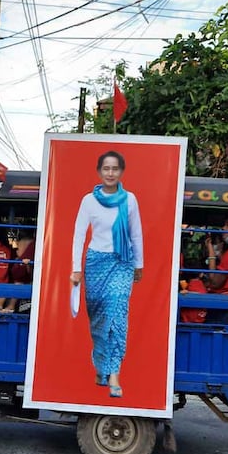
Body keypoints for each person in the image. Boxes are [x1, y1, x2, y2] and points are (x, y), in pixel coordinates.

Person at [71, 150, 143, 398]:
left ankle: (114, 374)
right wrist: (76, 269)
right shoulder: (88, 201)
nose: (110, 173)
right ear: (100, 172)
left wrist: (139, 265)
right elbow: (79, 235)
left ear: (121, 172)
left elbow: (136, 234)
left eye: (115, 169)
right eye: (106, 168)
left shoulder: (129, 200)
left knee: (117, 314)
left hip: (122, 262)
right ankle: (101, 366)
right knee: (99, 322)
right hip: (96, 263)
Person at [1, 230, 36, 313]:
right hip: (27, 266)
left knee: (15, 282)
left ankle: (7, 305)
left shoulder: (21, 242)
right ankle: (10, 305)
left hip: (20, 266)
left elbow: (17, 252)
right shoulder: (34, 242)